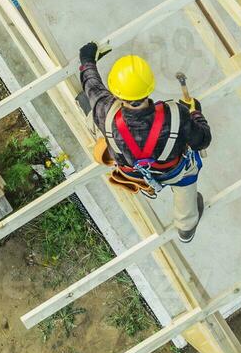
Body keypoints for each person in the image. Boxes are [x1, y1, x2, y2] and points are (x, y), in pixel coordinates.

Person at [78, 42, 210, 242]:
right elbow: (202, 141)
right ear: (150, 86)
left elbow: (92, 86)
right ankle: (186, 227)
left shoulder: (106, 111)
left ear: (116, 92)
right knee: (188, 176)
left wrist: (87, 61)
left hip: (132, 171)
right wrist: (195, 113)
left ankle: (148, 186)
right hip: (172, 171)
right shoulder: (176, 114)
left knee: (93, 111)